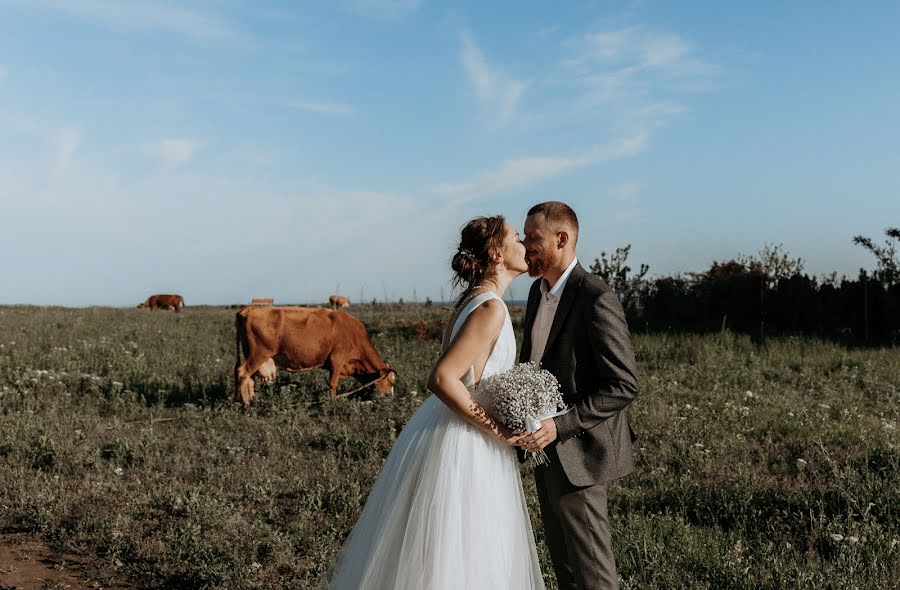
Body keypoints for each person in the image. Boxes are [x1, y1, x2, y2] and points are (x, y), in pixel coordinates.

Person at [321, 215, 546, 590]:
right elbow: (442, 378)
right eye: (515, 237)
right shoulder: (491, 309)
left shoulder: (471, 301)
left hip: (447, 429)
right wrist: (500, 430)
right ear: (496, 253)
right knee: (464, 552)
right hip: (468, 442)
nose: (524, 244)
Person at [517, 201, 639, 590]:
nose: (524, 246)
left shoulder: (596, 297)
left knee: (594, 576)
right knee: (564, 567)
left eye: (533, 238)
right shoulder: (537, 293)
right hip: (541, 448)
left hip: (580, 451)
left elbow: (623, 384)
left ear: (562, 239)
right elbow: (532, 363)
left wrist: (560, 425)